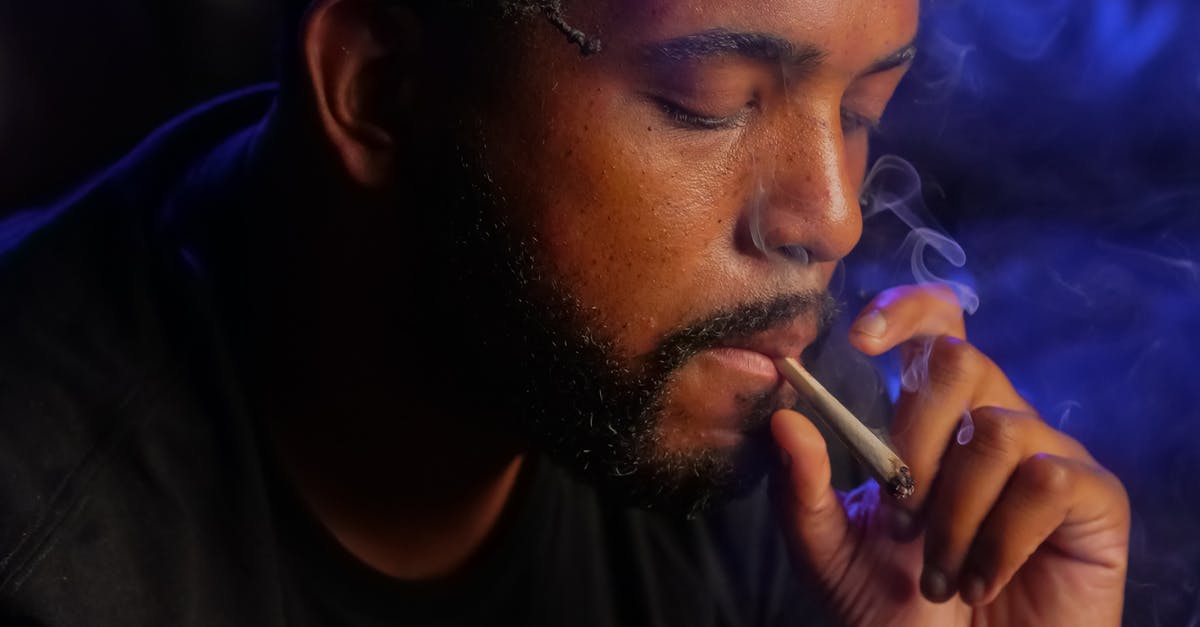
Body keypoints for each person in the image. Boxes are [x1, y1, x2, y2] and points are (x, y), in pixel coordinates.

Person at [0, 0, 1130, 625]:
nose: (830, 221)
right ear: (382, 86)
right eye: (708, 109)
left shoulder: (791, 454)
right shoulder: (47, 554)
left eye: (861, 110)